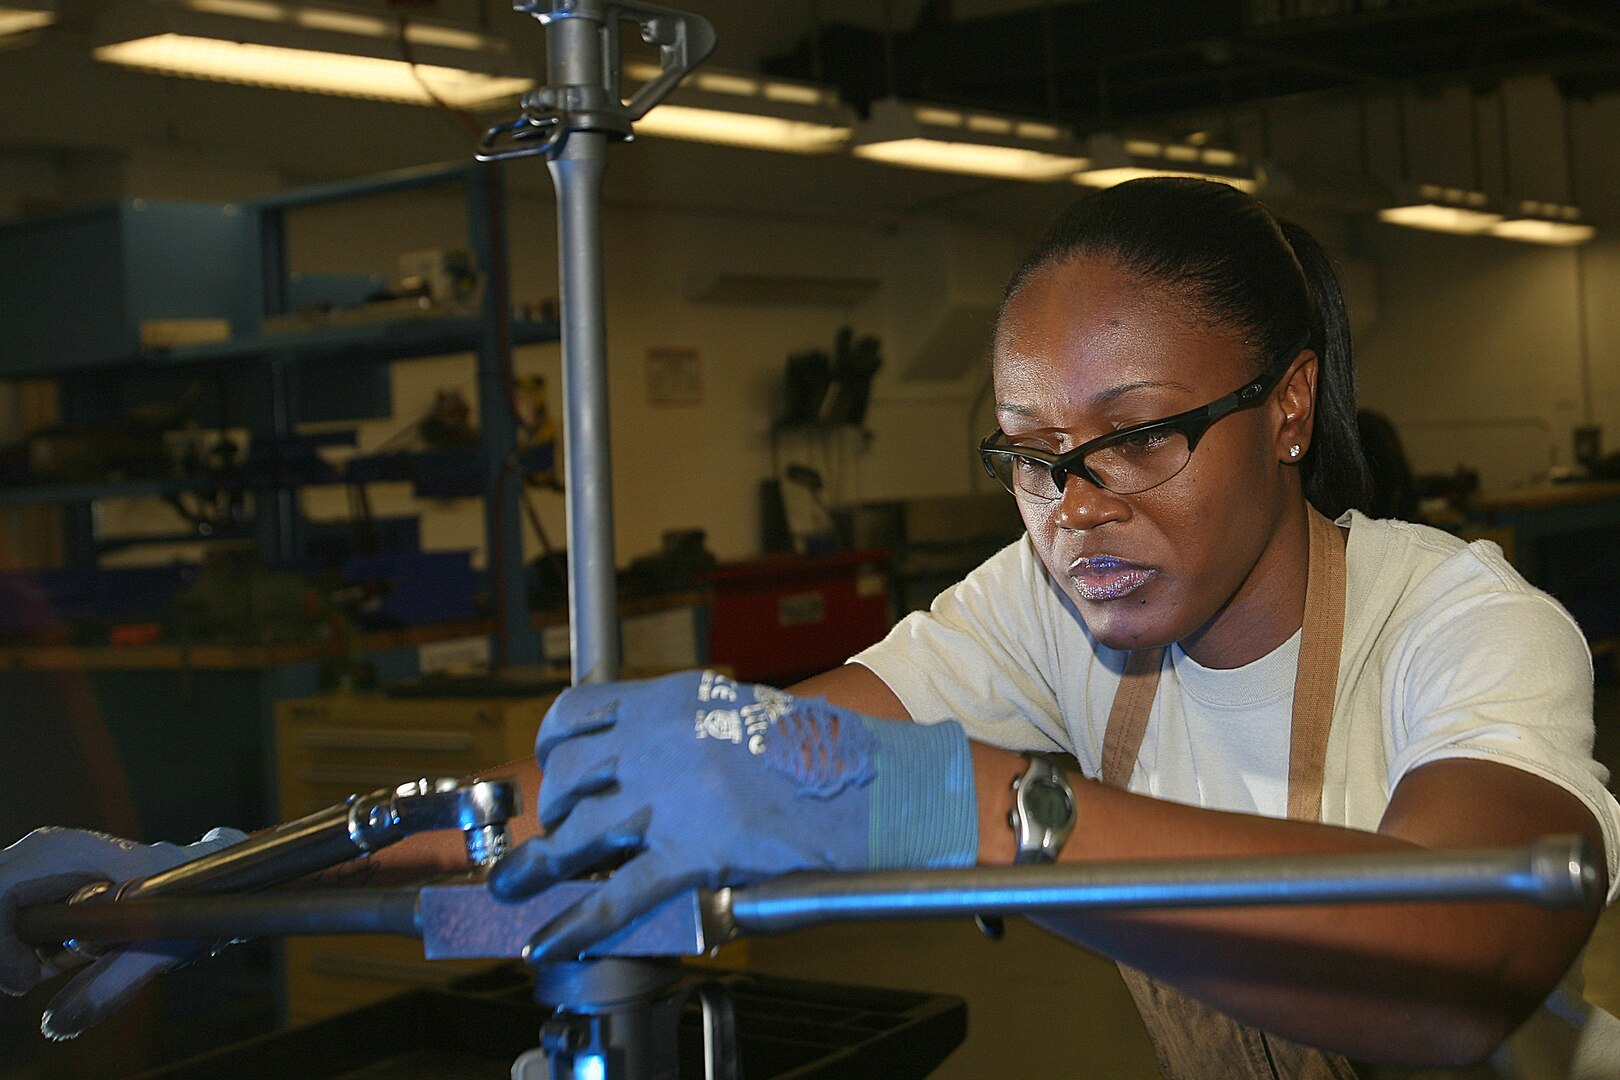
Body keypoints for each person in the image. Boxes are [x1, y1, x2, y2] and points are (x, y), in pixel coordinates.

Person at [4, 178, 1617, 1079]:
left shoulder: (1459, 620)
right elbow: (651, 799)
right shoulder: (1053, 607)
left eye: (1138, 435)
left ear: (1285, 407)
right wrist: (222, 889)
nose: (1077, 506)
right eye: (1029, 455)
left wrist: (958, 806)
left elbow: (1457, 976)